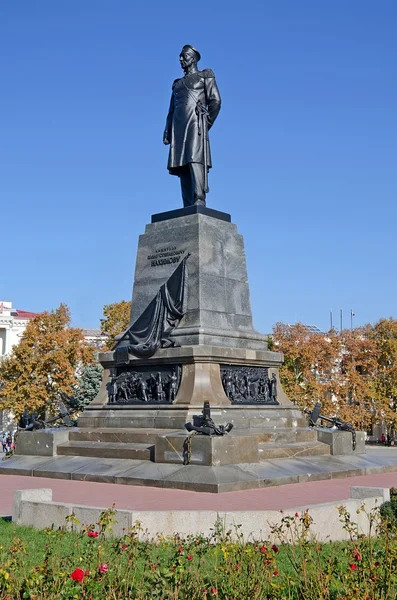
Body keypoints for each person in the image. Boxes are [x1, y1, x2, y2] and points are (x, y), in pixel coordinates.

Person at [164, 45, 221, 207]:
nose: (181, 60)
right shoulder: (177, 84)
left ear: (194, 58)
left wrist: (206, 122)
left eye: (185, 56)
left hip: (196, 124)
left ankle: (199, 198)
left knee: (195, 159)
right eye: (180, 57)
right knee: (181, 163)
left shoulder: (205, 76)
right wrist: (167, 130)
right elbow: (171, 109)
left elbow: (215, 100)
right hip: (178, 127)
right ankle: (188, 203)